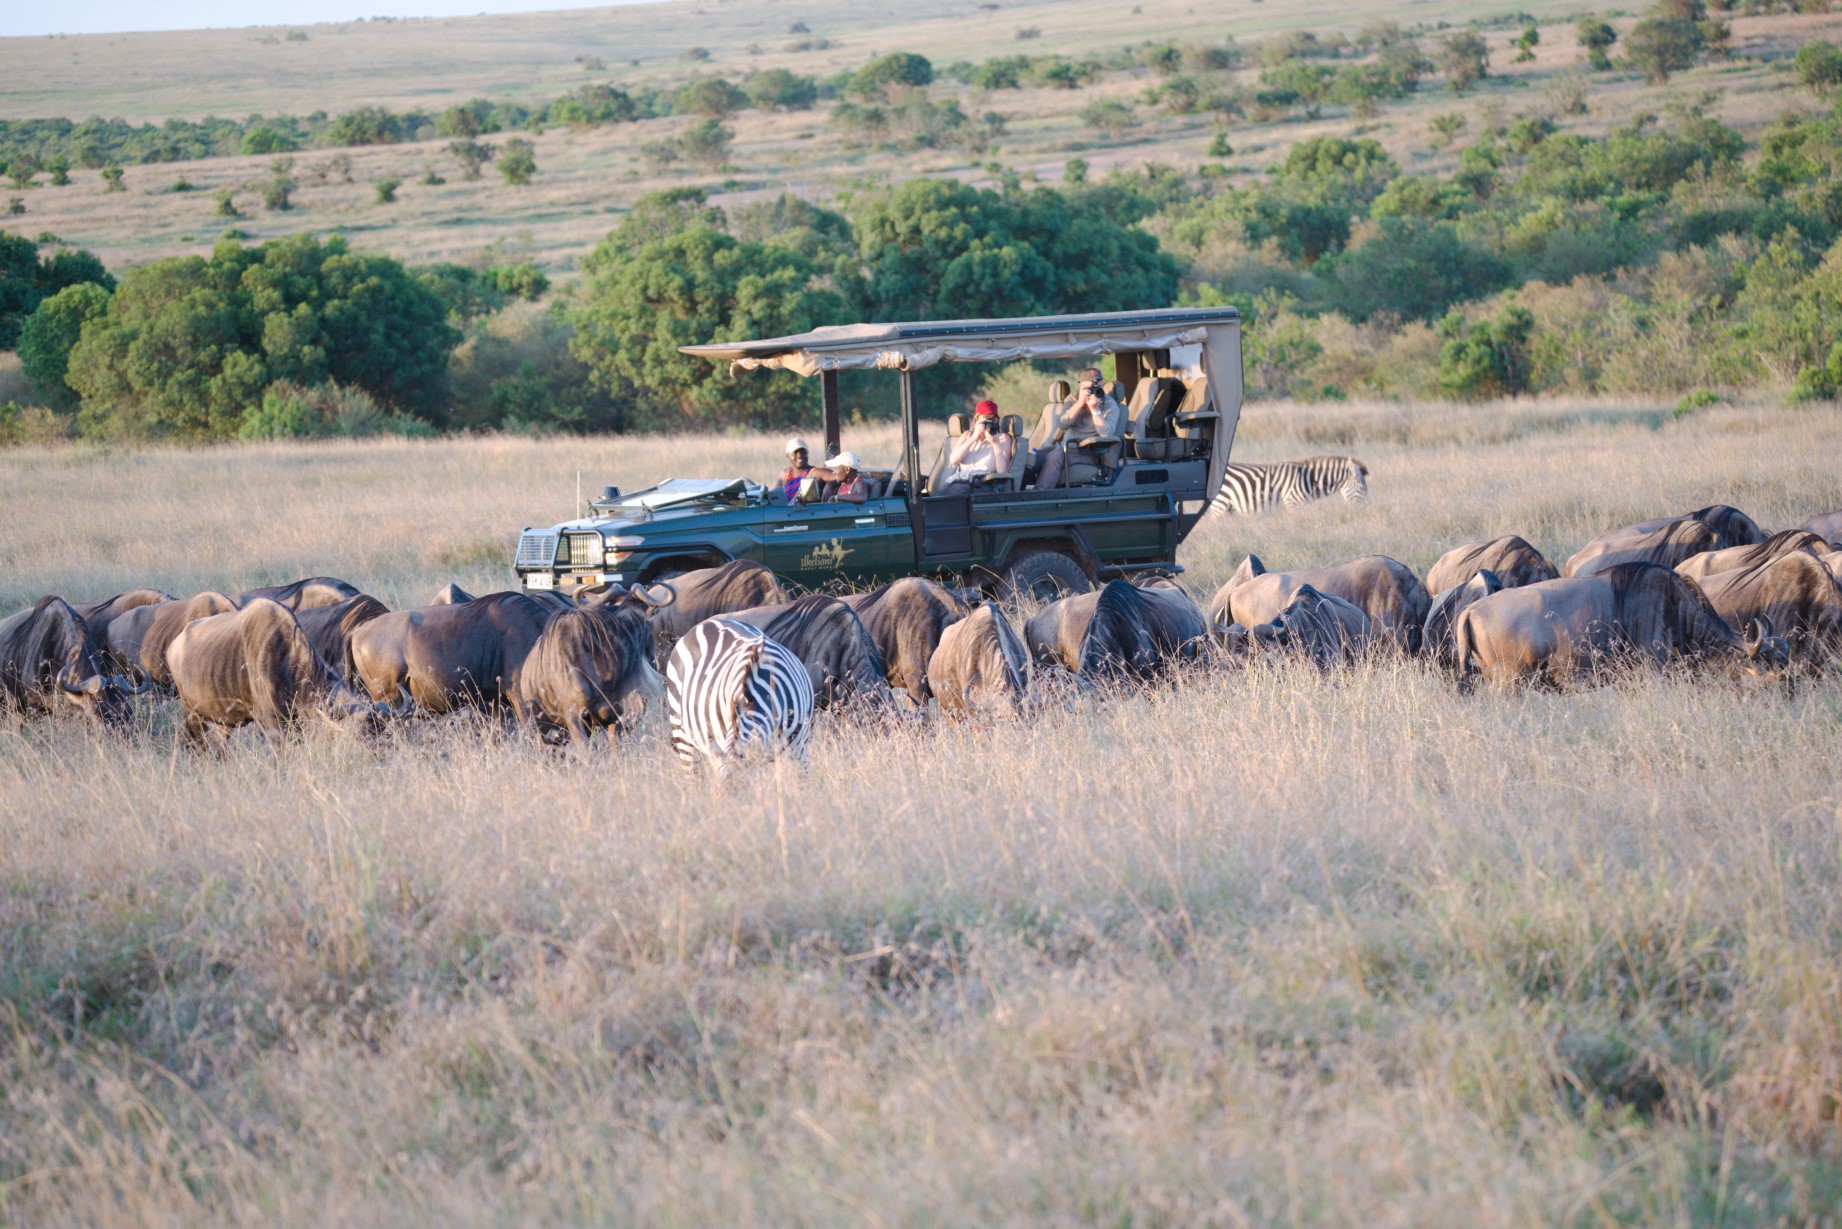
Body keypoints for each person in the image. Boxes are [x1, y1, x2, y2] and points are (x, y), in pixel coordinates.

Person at [1034, 369, 1124, 489]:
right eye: (1090, 387)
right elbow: (1062, 424)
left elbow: (1106, 433)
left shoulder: (1109, 404)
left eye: (1098, 385)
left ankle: (1040, 495)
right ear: (1081, 386)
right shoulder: (1072, 399)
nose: (1095, 390)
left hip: (1089, 452)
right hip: (1066, 447)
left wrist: (1095, 409)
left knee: (1054, 457)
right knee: (1032, 458)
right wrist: (1080, 403)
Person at [939, 400, 1014, 494]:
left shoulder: (1003, 438)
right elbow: (954, 460)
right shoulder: (967, 435)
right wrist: (974, 437)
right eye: (986, 419)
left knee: (956, 491)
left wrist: (996, 445)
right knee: (937, 497)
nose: (989, 423)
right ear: (976, 420)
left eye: (993, 419)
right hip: (960, 481)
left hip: (983, 485)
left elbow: (1002, 472)